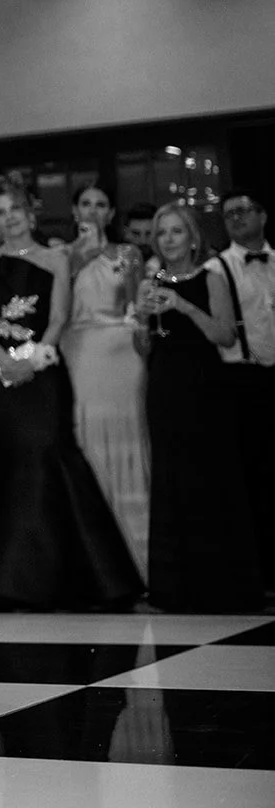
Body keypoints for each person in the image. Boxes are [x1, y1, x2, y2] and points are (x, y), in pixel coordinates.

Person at [0, 174, 142, 610]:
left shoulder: (55, 257)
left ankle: (82, 579)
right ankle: (2, 582)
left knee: (53, 452)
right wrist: (3, 361)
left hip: (43, 372)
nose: (8, 220)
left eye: (14, 211)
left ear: (30, 212)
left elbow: (58, 316)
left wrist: (34, 358)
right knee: (11, 462)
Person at [135, 201, 263, 611]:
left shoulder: (211, 278)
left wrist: (183, 305)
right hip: (164, 385)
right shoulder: (148, 280)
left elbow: (225, 336)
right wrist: (140, 319)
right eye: (162, 233)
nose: (169, 239)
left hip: (205, 386)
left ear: (192, 237)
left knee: (211, 478)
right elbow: (144, 346)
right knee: (171, 479)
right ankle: (174, 587)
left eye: (176, 231)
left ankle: (224, 586)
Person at [60, 183, 149, 577]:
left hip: (121, 357)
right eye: (85, 204)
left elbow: (138, 310)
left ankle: (142, 556)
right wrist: (79, 259)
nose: (93, 211)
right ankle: (100, 565)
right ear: (75, 211)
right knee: (86, 440)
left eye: (100, 204)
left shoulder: (128, 254)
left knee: (130, 440)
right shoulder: (59, 255)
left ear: (111, 213)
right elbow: (54, 308)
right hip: (78, 353)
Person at [209, 189, 275, 594]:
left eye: (244, 210)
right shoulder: (218, 267)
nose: (236, 218)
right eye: (228, 213)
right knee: (257, 476)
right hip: (244, 380)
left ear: (262, 216)